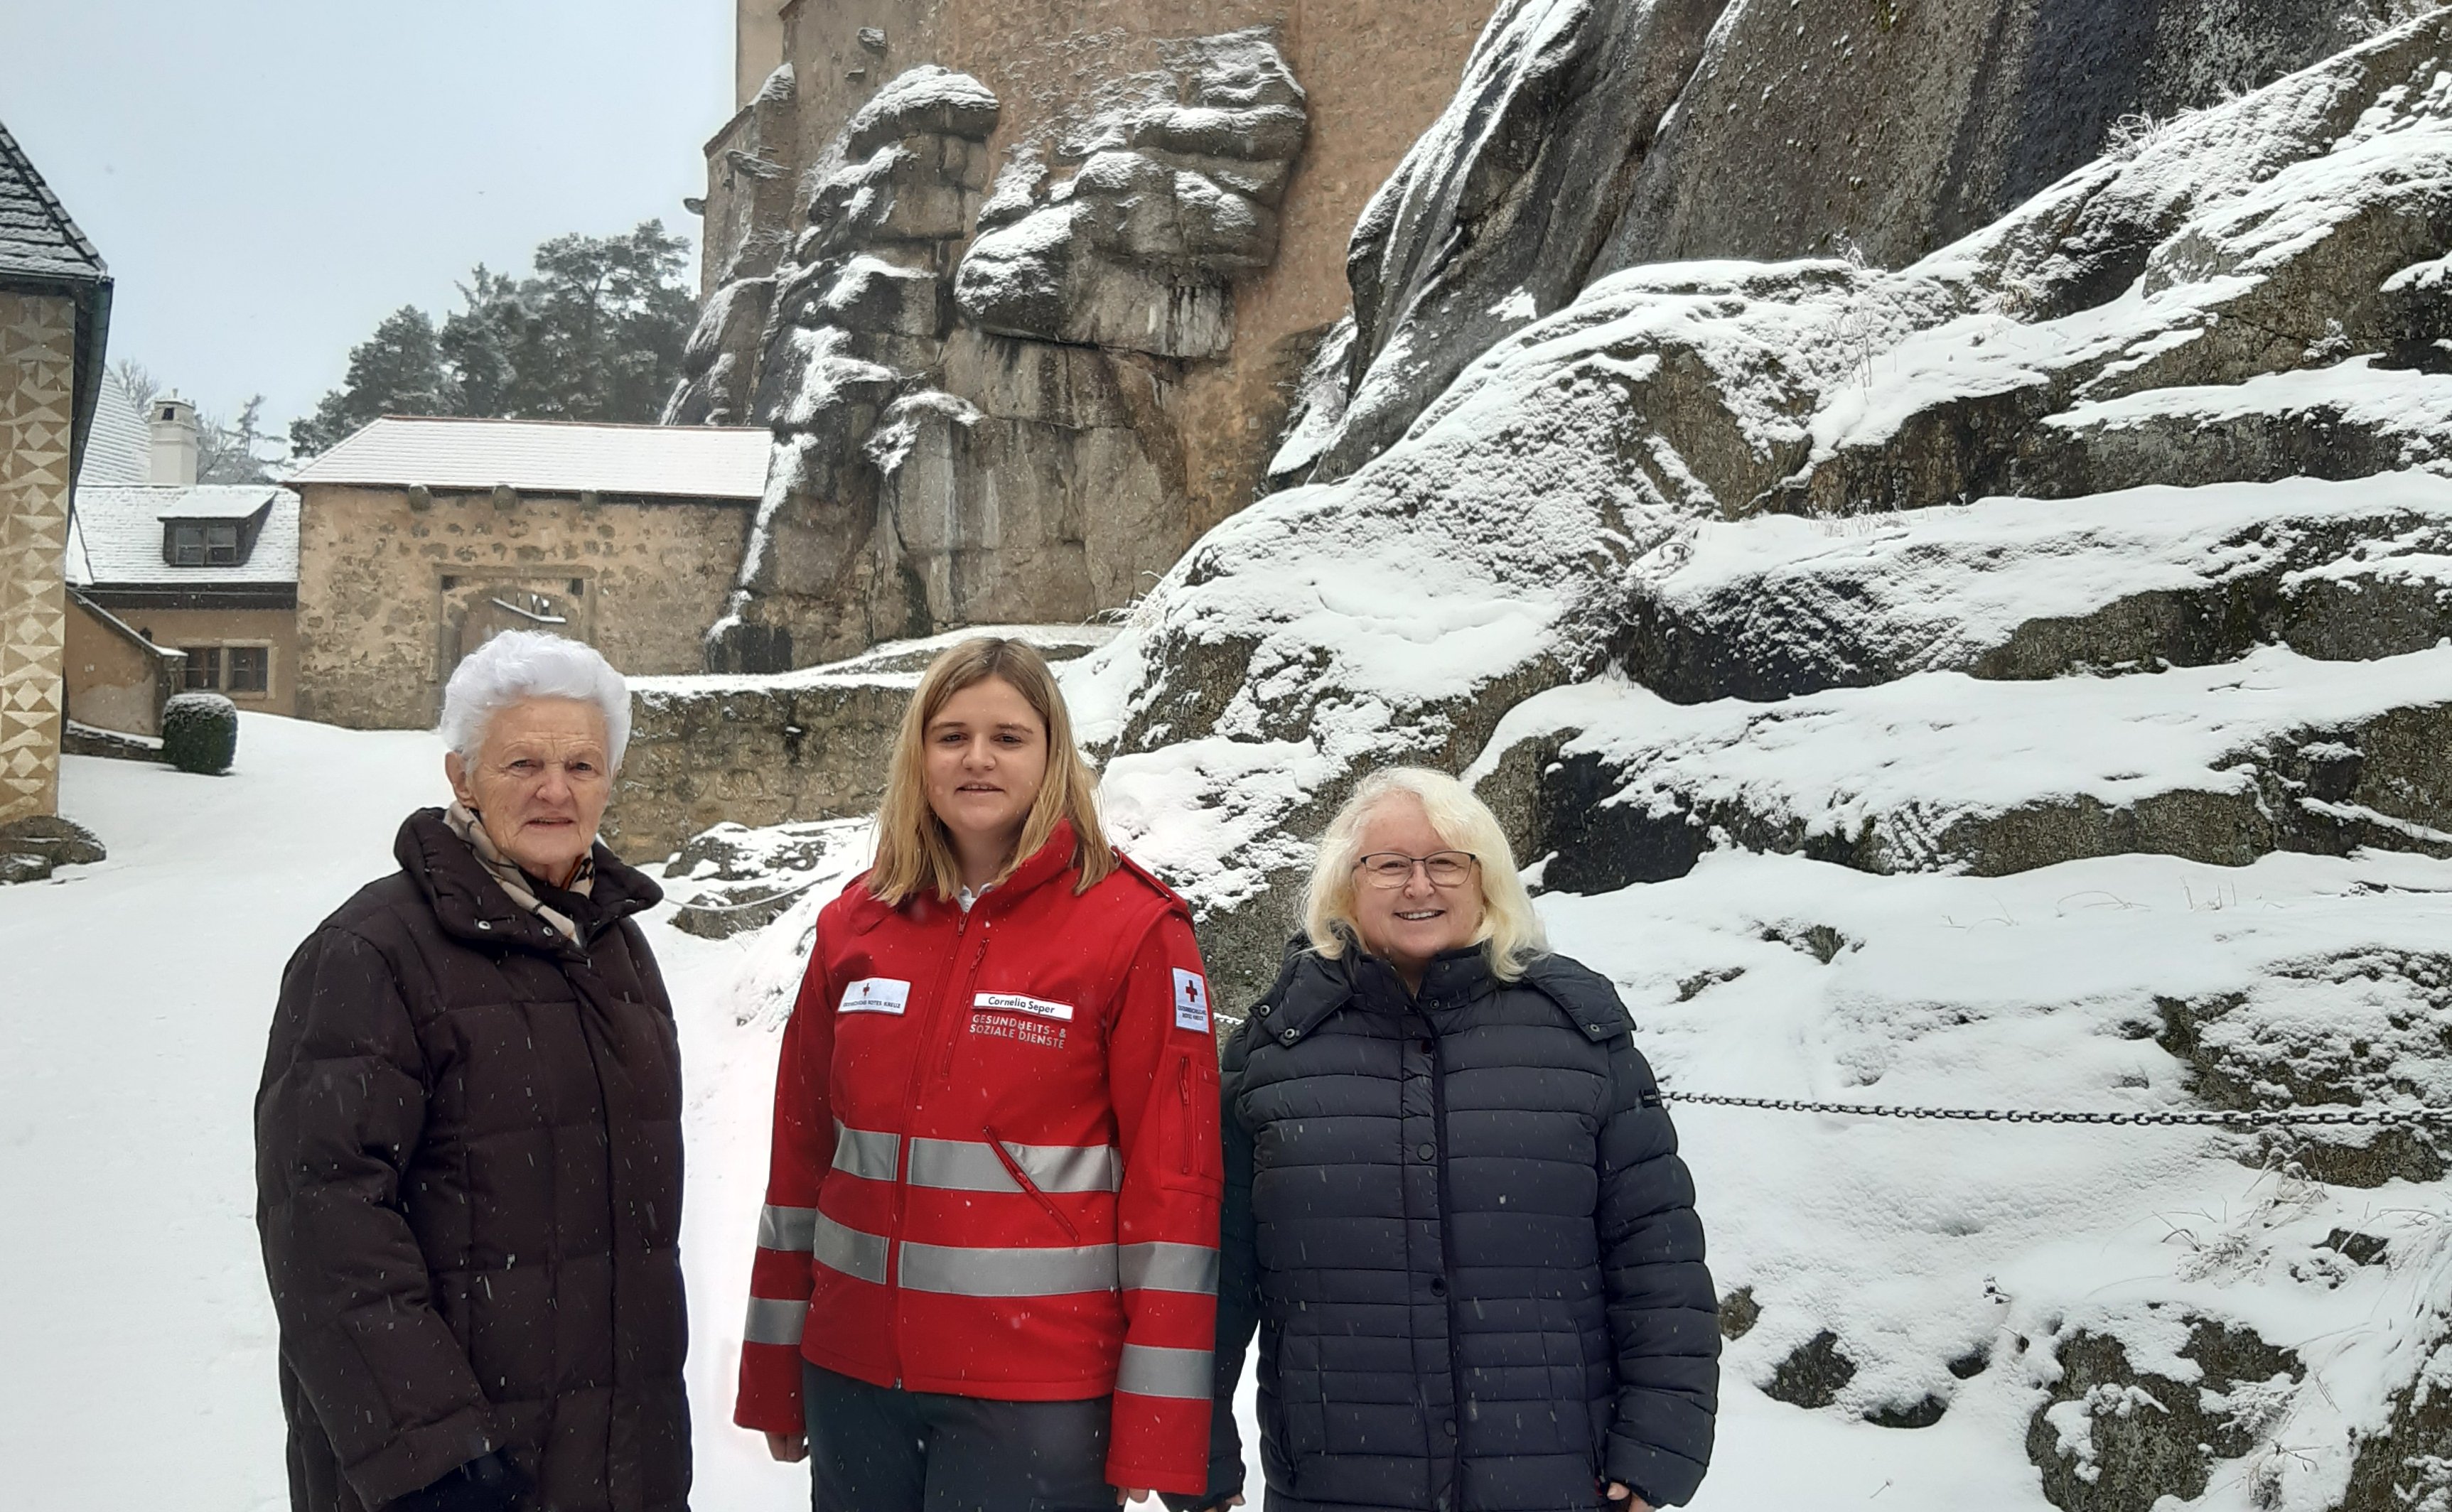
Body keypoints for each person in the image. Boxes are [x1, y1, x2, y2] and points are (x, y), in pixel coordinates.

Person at [736, 636, 1224, 1511]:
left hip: (1037, 1400)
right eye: (951, 734)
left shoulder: (1133, 930)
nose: (977, 758)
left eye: (1008, 736)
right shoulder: (857, 924)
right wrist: (776, 1361)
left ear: (1053, 754)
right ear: (918, 754)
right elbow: (802, 1159)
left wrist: (1160, 1415)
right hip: (854, 1386)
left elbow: (1175, 1193)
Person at [1184, 768, 1719, 1512]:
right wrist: (1194, 1457)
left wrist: (1660, 1441)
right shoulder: (1276, 1046)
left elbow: (1657, 1257)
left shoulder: (1578, 1030)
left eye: (1445, 862)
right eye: (1391, 864)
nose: (1419, 885)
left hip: (1555, 1478)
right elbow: (1215, 1274)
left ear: (1486, 879)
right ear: (1345, 884)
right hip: (1341, 1484)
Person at [254, 631, 689, 1512]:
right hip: (450, 1470)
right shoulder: (371, 952)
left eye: (582, 764)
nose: (555, 789)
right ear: (462, 778)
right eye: (522, 760)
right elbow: (324, 1214)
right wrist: (431, 1455)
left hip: (617, 1460)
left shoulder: (616, 947)